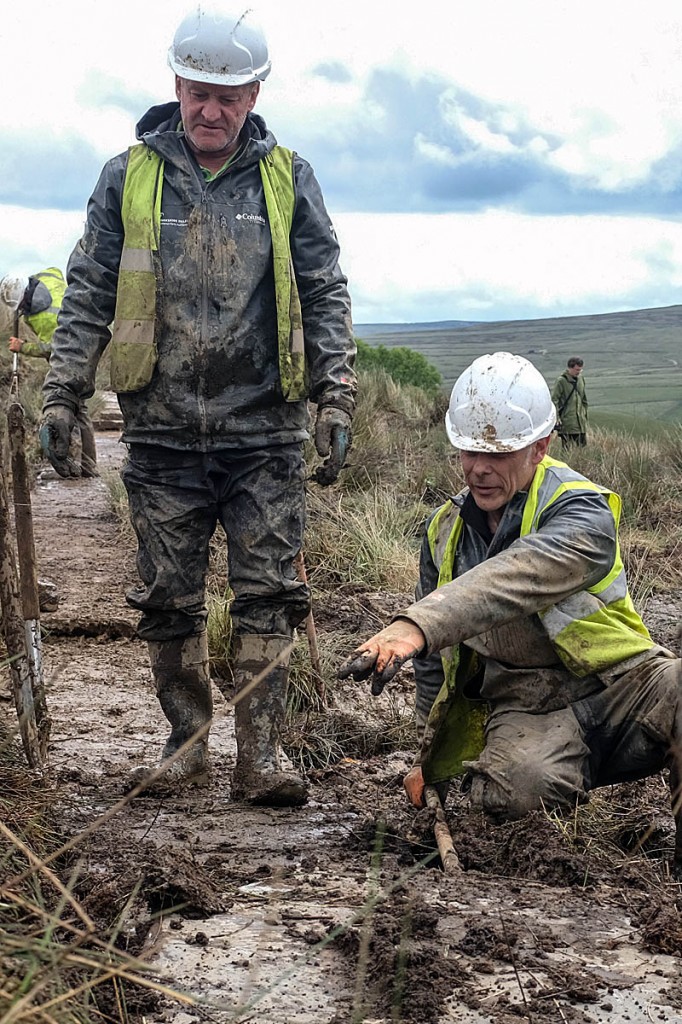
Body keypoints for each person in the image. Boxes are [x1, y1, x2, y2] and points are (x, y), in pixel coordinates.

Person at [40, 7, 356, 806]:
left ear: (253, 94)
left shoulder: (289, 177)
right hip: (161, 429)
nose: (211, 109)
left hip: (266, 431)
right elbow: (87, 292)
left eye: (229, 95)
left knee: (268, 593)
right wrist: (63, 392)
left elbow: (323, 289)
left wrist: (335, 393)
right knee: (167, 596)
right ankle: (185, 746)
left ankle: (263, 757)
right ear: (176, 84)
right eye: (197, 91)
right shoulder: (127, 175)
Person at [339, 352, 681, 846]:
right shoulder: (443, 531)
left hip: (625, 686)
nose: (478, 470)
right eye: (468, 452)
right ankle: (558, 777)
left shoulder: (582, 510)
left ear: (539, 448)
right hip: (530, 708)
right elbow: (436, 667)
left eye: (498, 455)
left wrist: (418, 624)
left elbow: (518, 575)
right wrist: (426, 757)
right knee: (511, 796)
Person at [0, 269, 98, 477]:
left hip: (72, 358)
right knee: (80, 408)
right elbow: (56, 271)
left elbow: (52, 348)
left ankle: (83, 467)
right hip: (82, 344)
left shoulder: (44, 316)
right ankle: (88, 466)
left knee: (76, 408)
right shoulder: (45, 278)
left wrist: (23, 347)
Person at [551, 356, 588, 449]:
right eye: (576, 370)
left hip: (581, 423)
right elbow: (554, 400)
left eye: (580, 370)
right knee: (567, 449)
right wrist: (557, 418)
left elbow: (584, 399)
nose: (578, 372)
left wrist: (585, 415)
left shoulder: (581, 379)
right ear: (570, 368)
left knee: (582, 449)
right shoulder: (561, 381)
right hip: (567, 422)